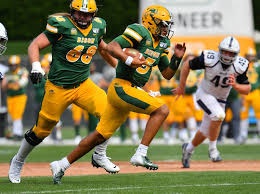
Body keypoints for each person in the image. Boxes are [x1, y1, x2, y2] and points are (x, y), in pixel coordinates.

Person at [50, 5, 186, 184]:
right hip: (122, 87)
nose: (165, 28)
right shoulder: (140, 31)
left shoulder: (162, 43)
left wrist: (177, 58)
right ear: (151, 22)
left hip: (131, 89)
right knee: (162, 110)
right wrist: (128, 59)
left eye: (167, 25)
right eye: (162, 24)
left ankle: (61, 164)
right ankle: (140, 154)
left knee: (100, 135)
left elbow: (167, 74)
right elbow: (112, 46)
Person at [8, 0, 119, 184]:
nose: (83, 18)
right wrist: (36, 66)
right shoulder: (61, 25)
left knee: (111, 113)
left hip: (84, 85)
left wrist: (118, 67)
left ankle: (99, 155)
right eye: (79, 13)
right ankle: (18, 160)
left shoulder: (98, 26)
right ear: (72, 12)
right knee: (41, 132)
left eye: (87, 14)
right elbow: (34, 45)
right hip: (58, 87)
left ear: (94, 14)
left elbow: (102, 48)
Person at [173, 36, 251, 168]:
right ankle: (213, 150)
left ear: (236, 54)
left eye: (230, 52)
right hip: (204, 93)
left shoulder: (240, 65)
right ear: (219, 50)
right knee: (219, 115)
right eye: (224, 51)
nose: (227, 55)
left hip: (221, 99)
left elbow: (247, 89)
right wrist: (182, 86)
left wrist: (236, 86)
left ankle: (188, 149)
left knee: (205, 130)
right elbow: (187, 65)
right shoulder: (209, 57)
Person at [2, 55, 28, 140]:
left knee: (17, 114)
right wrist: (11, 84)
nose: (13, 66)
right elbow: (3, 86)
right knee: (11, 115)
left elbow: (22, 83)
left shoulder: (22, 71)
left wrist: (12, 84)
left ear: (18, 64)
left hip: (20, 96)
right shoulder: (7, 73)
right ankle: (14, 132)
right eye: (11, 64)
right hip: (10, 96)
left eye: (15, 64)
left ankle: (18, 133)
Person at [239, 48, 260, 143]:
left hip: (255, 92)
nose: (251, 57)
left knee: (259, 114)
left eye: (252, 55)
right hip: (244, 93)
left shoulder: (258, 65)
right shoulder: (242, 65)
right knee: (243, 114)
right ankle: (243, 135)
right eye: (249, 55)